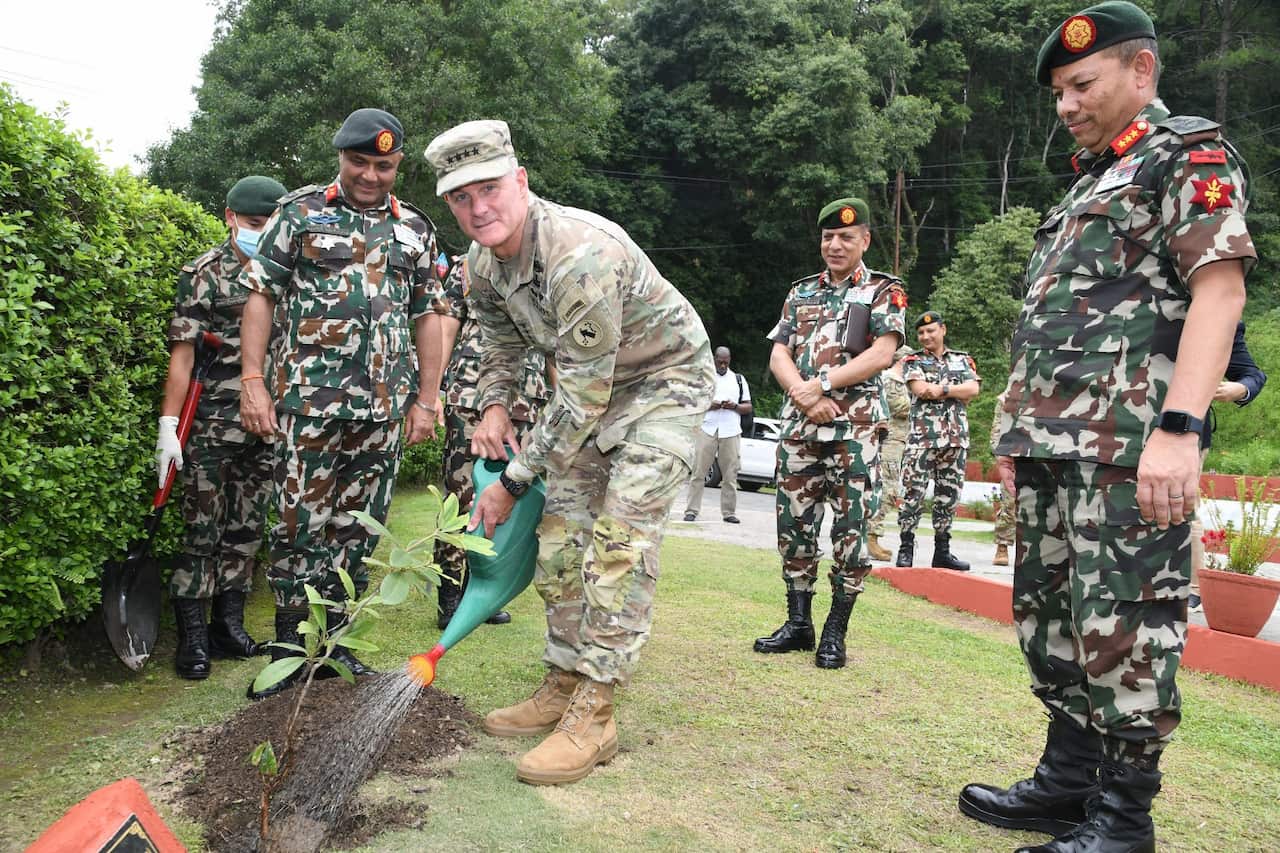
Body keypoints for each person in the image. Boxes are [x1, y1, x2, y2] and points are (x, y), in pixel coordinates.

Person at [958, 4, 1255, 851]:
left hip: (1129, 451)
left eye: (1081, 84)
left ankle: (1124, 821)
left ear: (1142, 72)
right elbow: (1056, 325)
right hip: (1054, 449)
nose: (1066, 104)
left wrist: (1180, 427)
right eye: (1057, 91)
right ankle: (1066, 782)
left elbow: (1220, 291)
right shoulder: (1090, 180)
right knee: (1053, 620)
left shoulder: (1186, 156)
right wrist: (1015, 436)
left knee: (1126, 625)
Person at [423, 119, 714, 785]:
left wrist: (513, 481)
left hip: (663, 385)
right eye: (461, 199)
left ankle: (597, 710)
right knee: (559, 542)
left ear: (520, 182)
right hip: (592, 391)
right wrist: (495, 401)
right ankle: (561, 678)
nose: (478, 209)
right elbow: (500, 345)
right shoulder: (481, 263)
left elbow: (580, 395)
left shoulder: (579, 252)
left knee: (618, 542)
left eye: (490, 189)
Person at [238, 109, 442, 700]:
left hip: (382, 411)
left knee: (359, 528)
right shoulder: (300, 213)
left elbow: (430, 314)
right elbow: (261, 296)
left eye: (383, 165)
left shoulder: (416, 231)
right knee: (300, 523)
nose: (371, 175)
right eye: (359, 162)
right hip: (308, 405)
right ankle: (289, 647)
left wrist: (426, 400)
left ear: (398, 165)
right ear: (341, 158)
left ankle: (336, 645)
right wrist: (252, 380)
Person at [754, 197, 907, 669]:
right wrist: (803, 394)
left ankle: (835, 631)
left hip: (855, 430)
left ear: (865, 240)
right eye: (827, 238)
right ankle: (798, 623)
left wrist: (820, 385)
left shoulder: (883, 291)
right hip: (801, 428)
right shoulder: (800, 292)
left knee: (852, 531)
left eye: (845, 237)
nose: (834, 245)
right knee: (794, 525)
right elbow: (779, 351)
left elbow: (883, 353)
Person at [157, 175, 286, 680]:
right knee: (201, 531)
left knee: (247, 529)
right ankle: (191, 641)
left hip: (268, 425)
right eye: (256, 224)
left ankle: (226, 629)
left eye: (271, 224)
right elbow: (183, 355)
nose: (264, 232)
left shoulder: (287, 270)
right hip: (212, 424)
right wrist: (169, 425)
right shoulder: (204, 273)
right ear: (231, 218)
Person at [431, 254, 552, 628]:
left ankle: (478, 591)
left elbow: (552, 345)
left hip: (528, 399)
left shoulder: (547, 269)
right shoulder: (468, 265)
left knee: (507, 499)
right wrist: (432, 389)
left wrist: (563, 401)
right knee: (462, 496)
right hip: (471, 395)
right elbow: (447, 325)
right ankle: (449, 598)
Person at [1189, 321, 1266, 606]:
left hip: (1187, 430)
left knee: (1184, 504)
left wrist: (1240, 389)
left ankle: (1195, 587)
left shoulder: (1221, 319)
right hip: (1119, 429)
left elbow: (1252, 374)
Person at [895, 311, 980, 571]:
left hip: (955, 440)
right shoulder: (912, 360)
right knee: (913, 495)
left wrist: (941, 390)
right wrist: (956, 391)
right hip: (922, 439)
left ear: (942, 330)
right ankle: (906, 547)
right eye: (921, 333)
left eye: (931, 331)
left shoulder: (962, 359)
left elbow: (973, 390)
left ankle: (942, 551)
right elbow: (921, 390)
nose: (926, 336)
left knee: (948, 498)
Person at [682, 346, 752, 524]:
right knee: (699, 472)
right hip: (707, 428)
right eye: (720, 361)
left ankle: (729, 512)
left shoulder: (738, 379)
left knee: (731, 474)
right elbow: (693, 402)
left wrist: (734, 406)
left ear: (729, 360)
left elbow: (748, 407)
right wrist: (710, 405)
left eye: (726, 362)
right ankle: (691, 510)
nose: (722, 365)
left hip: (731, 429)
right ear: (714, 359)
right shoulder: (705, 376)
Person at [866, 345, 913, 561]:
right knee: (887, 490)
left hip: (899, 441)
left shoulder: (900, 382)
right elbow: (901, 408)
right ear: (903, 361)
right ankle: (871, 536)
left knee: (890, 489)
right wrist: (926, 394)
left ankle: (871, 536)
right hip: (889, 442)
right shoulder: (890, 380)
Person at [990, 390, 1016, 567]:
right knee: (1010, 502)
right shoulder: (1007, 396)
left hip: (1041, 452)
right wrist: (1000, 453)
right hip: (1013, 454)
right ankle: (1002, 545)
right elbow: (997, 429)